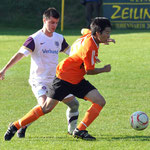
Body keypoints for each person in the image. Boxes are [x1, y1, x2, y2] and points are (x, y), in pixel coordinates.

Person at [4, 17, 115, 141]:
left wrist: (104, 40)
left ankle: (80, 130)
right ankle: (15, 126)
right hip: (64, 78)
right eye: (107, 32)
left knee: (100, 101)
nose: (108, 35)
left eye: (109, 32)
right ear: (98, 33)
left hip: (77, 79)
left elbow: (83, 30)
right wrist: (104, 69)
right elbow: (89, 71)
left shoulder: (90, 34)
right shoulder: (90, 47)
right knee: (46, 108)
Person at [1, 7, 79, 139]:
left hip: (55, 80)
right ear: (44, 20)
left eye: (56, 23)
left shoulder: (59, 38)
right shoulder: (34, 39)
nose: (54, 25)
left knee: (74, 104)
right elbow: (20, 54)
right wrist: (3, 70)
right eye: (51, 22)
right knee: (44, 107)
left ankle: (73, 132)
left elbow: (72, 53)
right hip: (39, 80)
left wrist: (87, 58)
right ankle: (17, 125)